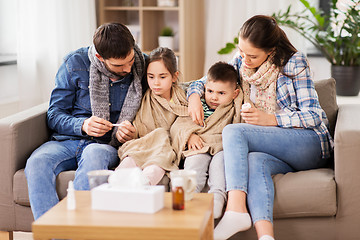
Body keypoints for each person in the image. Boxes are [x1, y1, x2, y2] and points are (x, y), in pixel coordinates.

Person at [187, 15, 333, 240]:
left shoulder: (294, 62)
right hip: (275, 149)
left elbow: (315, 116)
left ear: (271, 50)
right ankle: (266, 236)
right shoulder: (241, 62)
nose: (244, 59)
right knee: (254, 161)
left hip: (308, 143)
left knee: (234, 131)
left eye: (252, 55)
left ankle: (235, 209)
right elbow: (206, 81)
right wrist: (194, 96)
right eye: (241, 52)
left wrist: (270, 119)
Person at [25, 22, 148, 220]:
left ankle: (79, 229)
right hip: (67, 141)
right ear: (99, 57)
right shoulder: (75, 63)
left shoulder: (144, 65)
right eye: (118, 65)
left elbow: (179, 81)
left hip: (106, 144)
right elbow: (54, 114)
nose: (128, 69)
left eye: (130, 60)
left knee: (93, 155)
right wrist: (83, 125)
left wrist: (134, 131)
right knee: (37, 163)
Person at [170, 62, 243, 219]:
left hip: (220, 147)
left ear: (235, 94)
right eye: (210, 91)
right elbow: (179, 125)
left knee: (220, 166)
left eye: (221, 93)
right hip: (199, 145)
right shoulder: (199, 105)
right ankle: (190, 198)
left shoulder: (233, 107)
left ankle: (217, 200)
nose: (214, 97)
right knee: (194, 163)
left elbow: (239, 127)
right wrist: (190, 135)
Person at [115, 47, 188, 185]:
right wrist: (129, 132)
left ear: (174, 76)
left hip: (165, 151)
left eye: (162, 77)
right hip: (144, 146)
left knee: (154, 169)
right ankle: (115, 189)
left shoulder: (183, 98)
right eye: (151, 77)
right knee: (128, 162)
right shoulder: (144, 98)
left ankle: (140, 190)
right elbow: (138, 128)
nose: (156, 82)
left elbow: (187, 123)